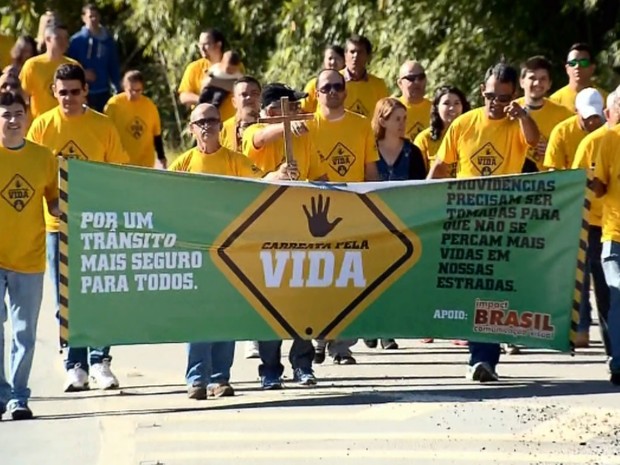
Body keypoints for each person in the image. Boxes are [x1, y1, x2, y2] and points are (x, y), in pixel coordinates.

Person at [169, 103, 296, 398]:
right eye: (201, 122)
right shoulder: (184, 163)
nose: (207, 127)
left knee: (224, 315)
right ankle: (196, 379)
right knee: (199, 316)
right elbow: (163, 196)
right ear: (191, 128)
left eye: (212, 121)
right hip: (197, 250)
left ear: (220, 126)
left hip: (229, 250)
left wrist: (278, 174)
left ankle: (220, 378)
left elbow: (259, 182)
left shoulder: (234, 160)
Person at [428, 62, 539, 382]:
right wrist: (421, 202)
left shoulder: (517, 124)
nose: (496, 103)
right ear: (482, 91)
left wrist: (523, 116)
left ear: (514, 95)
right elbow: (440, 167)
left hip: (503, 220)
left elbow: (533, 140)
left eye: (503, 98)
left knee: (493, 291)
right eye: (491, 96)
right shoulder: (463, 123)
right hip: (465, 219)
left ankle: (485, 356)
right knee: (475, 291)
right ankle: (481, 357)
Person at [26, 64, 128, 392]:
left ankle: (100, 361)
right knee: (65, 301)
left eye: (74, 91)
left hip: (96, 225)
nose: (68, 97)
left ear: (85, 91)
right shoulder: (42, 127)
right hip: (57, 226)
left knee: (99, 295)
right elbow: (31, 173)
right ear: (54, 93)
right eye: (62, 92)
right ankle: (75, 364)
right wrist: (51, 202)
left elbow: (118, 173)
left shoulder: (103, 126)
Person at [301, 68, 380, 365]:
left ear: (345, 92)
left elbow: (370, 167)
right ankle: (318, 340)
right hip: (315, 210)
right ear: (316, 93)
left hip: (353, 208)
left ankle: (342, 347)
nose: (332, 91)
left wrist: (374, 199)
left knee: (348, 281)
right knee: (319, 279)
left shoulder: (361, 125)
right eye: (326, 88)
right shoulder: (306, 125)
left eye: (337, 86)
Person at [0, 91, 58, 420]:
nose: (12, 120)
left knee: (24, 333)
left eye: (18, 113)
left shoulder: (43, 157)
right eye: (6, 114)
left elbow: (53, 198)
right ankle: (0, 393)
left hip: (30, 259)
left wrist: (68, 211)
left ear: (27, 117)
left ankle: (19, 396)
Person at [572, 88, 620, 357]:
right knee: (608, 295)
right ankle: (615, 357)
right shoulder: (594, 142)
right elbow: (582, 184)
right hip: (599, 228)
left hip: (610, 230)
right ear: (608, 113)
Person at [591, 113, 620, 386]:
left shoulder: (610, 136)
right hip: (614, 234)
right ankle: (619, 361)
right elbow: (599, 186)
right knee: (616, 295)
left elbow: (599, 186)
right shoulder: (610, 138)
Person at [517, 56, 573, 172]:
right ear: (522, 82)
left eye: (543, 79)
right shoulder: (510, 110)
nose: (537, 83)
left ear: (549, 84)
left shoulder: (565, 115)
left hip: (550, 183)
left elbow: (575, 151)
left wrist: (553, 149)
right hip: (515, 183)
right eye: (532, 78)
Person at [104, 70, 166, 168]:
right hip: (120, 162)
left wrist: (161, 157)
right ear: (124, 87)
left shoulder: (149, 106)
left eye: (138, 90)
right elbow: (105, 133)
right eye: (130, 90)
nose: (134, 94)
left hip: (145, 163)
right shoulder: (114, 105)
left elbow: (156, 134)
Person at [68, 4, 121, 112]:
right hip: (82, 92)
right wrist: (83, 73)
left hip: (103, 91)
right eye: (90, 16)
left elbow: (113, 65)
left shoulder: (107, 41)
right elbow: (69, 66)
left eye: (96, 16)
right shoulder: (76, 41)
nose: (93, 19)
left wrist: (118, 88)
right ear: (84, 18)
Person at [178, 29, 241, 121]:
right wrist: (204, 101)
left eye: (206, 44)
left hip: (230, 123)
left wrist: (213, 82)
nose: (201, 48)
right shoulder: (194, 68)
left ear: (218, 45)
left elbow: (240, 87)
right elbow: (183, 97)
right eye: (200, 44)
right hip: (204, 124)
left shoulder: (234, 65)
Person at [19, 23, 78, 119]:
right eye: (58, 38)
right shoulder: (33, 65)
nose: (64, 42)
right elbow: (21, 98)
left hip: (68, 123)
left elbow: (81, 98)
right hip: (41, 125)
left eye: (66, 38)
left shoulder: (74, 65)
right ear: (48, 39)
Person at [544, 88, 605, 171]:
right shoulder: (561, 132)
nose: (591, 122)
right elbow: (554, 170)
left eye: (596, 116)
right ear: (576, 110)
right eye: (586, 117)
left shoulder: (611, 132)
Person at [414, 86, 470, 178]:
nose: (452, 108)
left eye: (457, 103)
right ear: (436, 107)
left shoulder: (472, 135)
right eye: (446, 103)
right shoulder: (424, 139)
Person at [550, 43, 608, 113]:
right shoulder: (554, 101)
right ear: (567, 68)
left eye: (583, 62)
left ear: (592, 67)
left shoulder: (606, 99)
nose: (577, 66)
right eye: (572, 63)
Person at [340, 35, 388, 117]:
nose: (355, 56)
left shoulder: (378, 85)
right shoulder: (334, 82)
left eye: (360, 52)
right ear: (345, 55)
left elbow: (385, 115)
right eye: (352, 52)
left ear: (368, 56)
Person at [220, 76, 261, 153]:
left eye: (254, 93)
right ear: (234, 102)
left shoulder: (270, 125)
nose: (249, 97)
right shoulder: (223, 130)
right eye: (244, 95)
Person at [301, 44, 345, 113]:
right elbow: (303, 110)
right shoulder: (313, 85)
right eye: (330, 58)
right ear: (324, 61)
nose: (333, 62)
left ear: (344, 61)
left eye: (337, 59)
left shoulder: (349, 83)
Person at [397, 60, 431, 140]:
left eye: (421, 77)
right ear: (400, 83)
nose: (417, 82)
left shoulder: (436, 109)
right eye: (411, 78)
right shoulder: (391, 110)